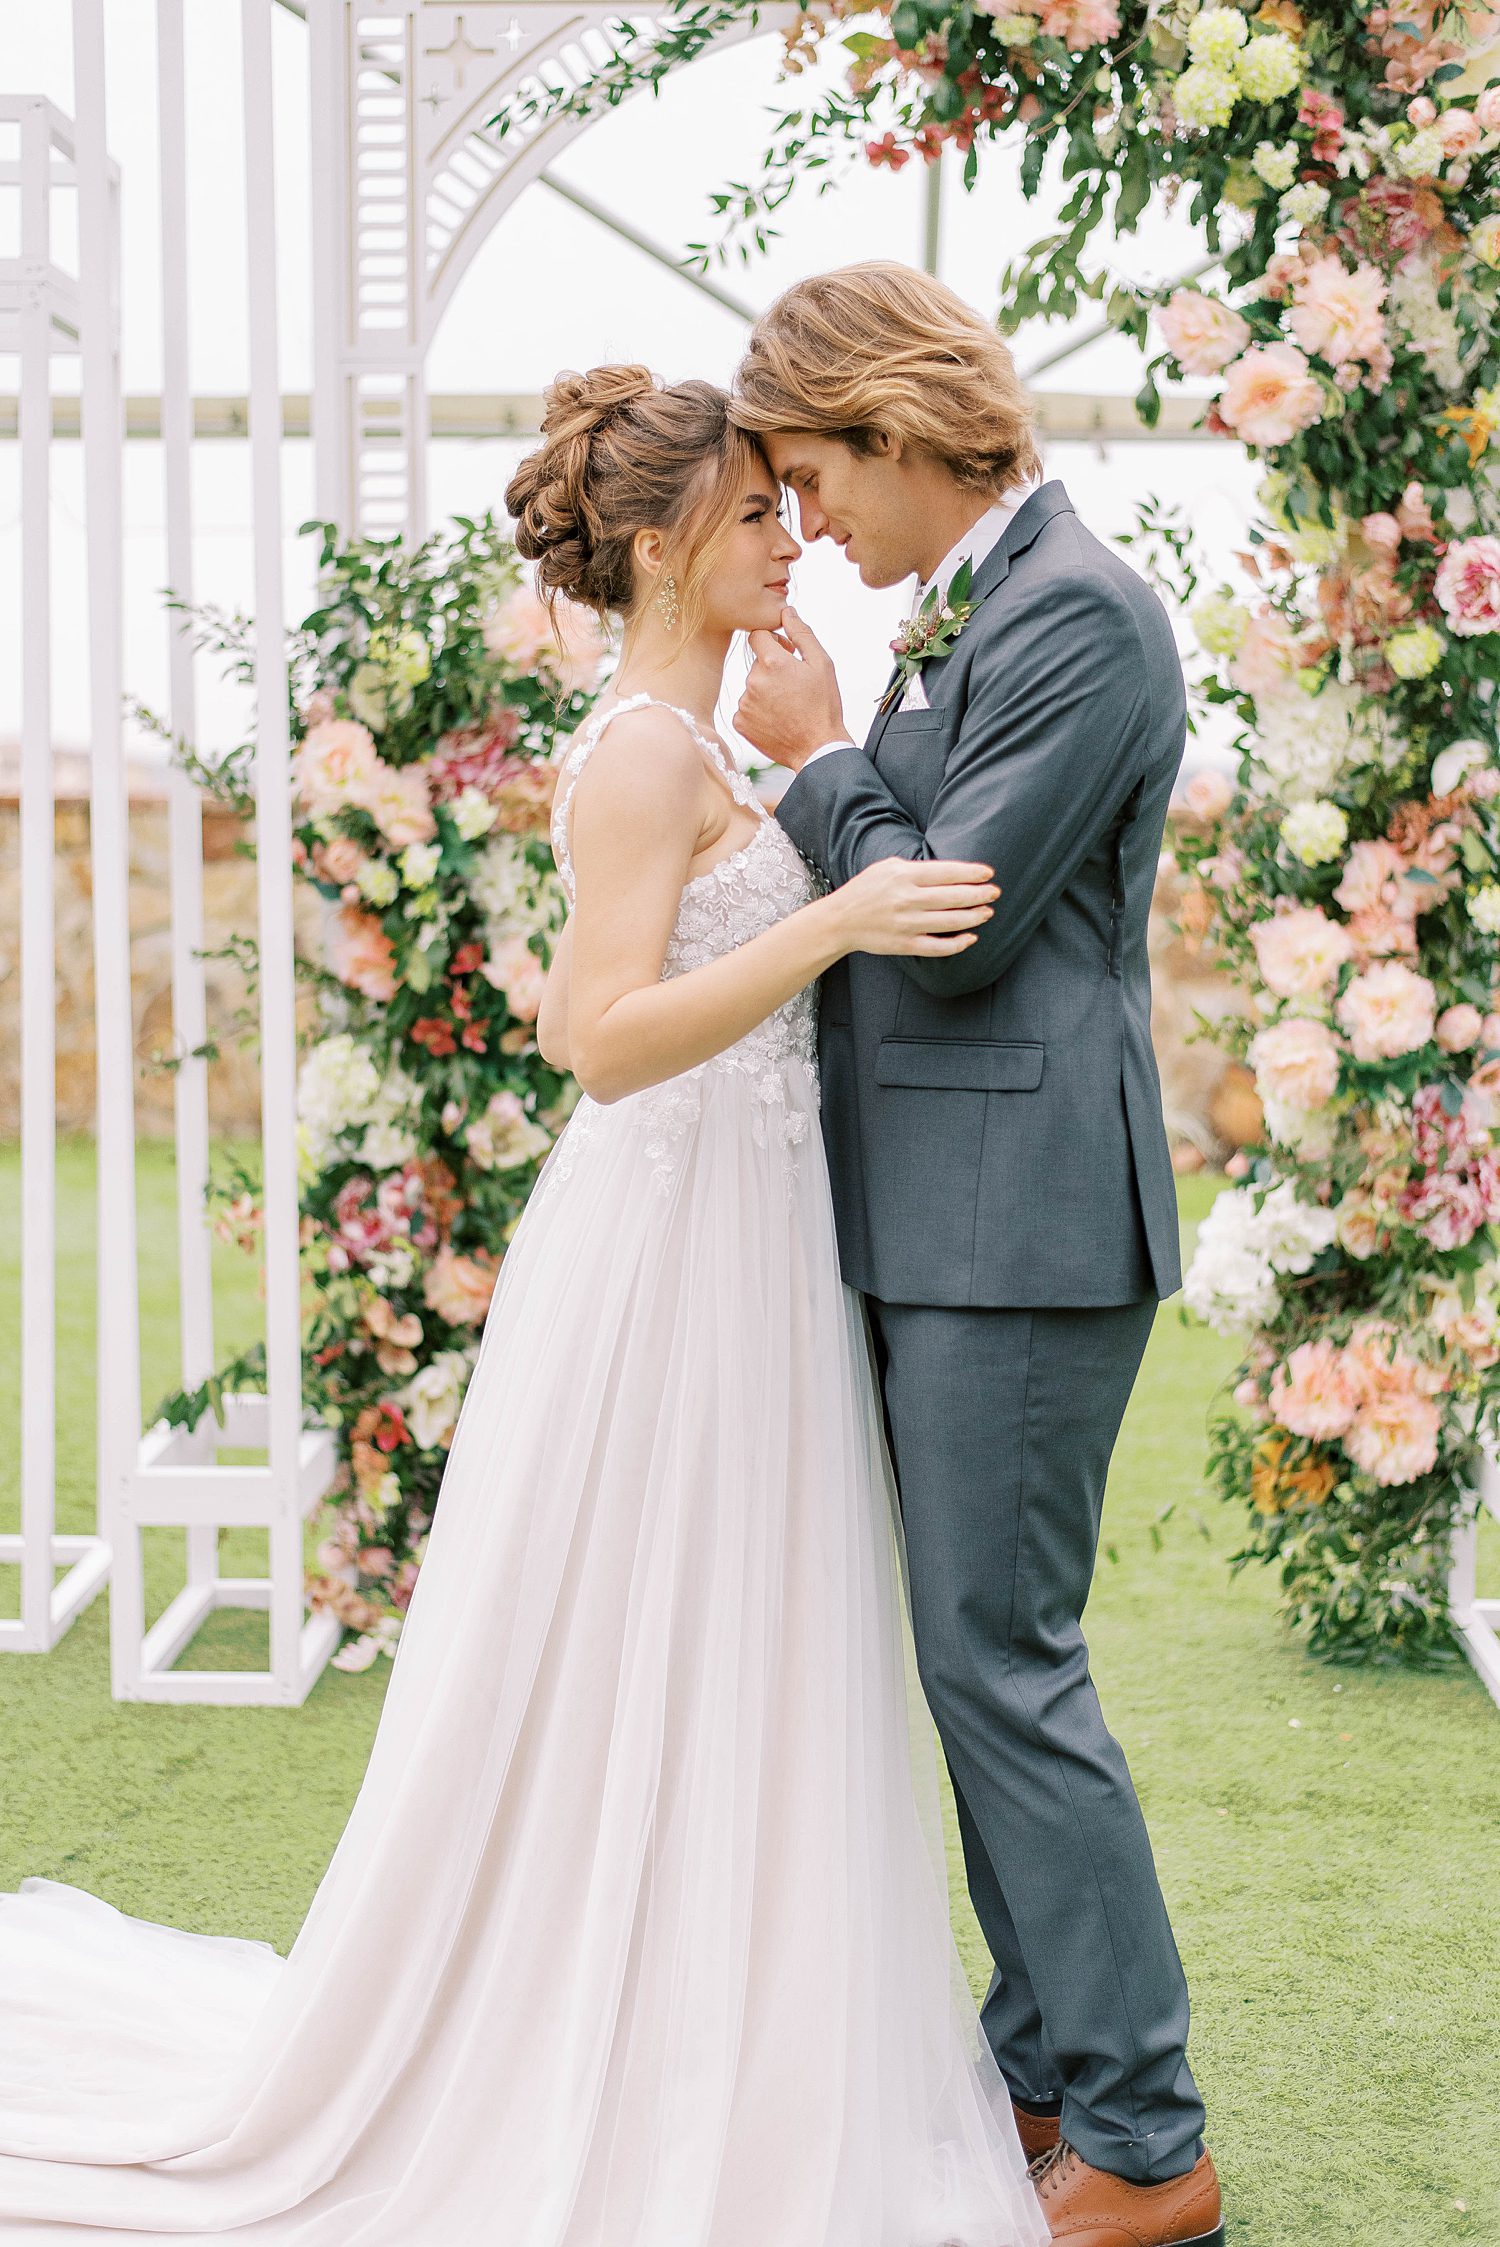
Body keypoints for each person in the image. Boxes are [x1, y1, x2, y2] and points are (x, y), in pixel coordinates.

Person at [0, 366, 1047, 2247]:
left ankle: (719, 2023)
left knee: (744, 1626)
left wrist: (819, 766)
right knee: (662, 1623)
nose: (791, 535)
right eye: (754, 514)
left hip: (751, 1228)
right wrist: (828, 921)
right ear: (660, 541)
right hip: (675, 1239)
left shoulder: (702, 736)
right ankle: (626, 2041)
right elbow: (596, 1041)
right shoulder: (643, 752)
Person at [728, 261, 1224, 2247]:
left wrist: (824, 750)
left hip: (1018, 1229)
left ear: (898, 418)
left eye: (814, 472)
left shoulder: (1086, 615)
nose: (812, 520)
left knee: (1004, 1668)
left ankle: (1147, 2134)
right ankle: (1040, 2066)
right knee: (969, 1662)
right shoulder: (1004, 607)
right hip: (947, 1213)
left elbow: (949, 911)